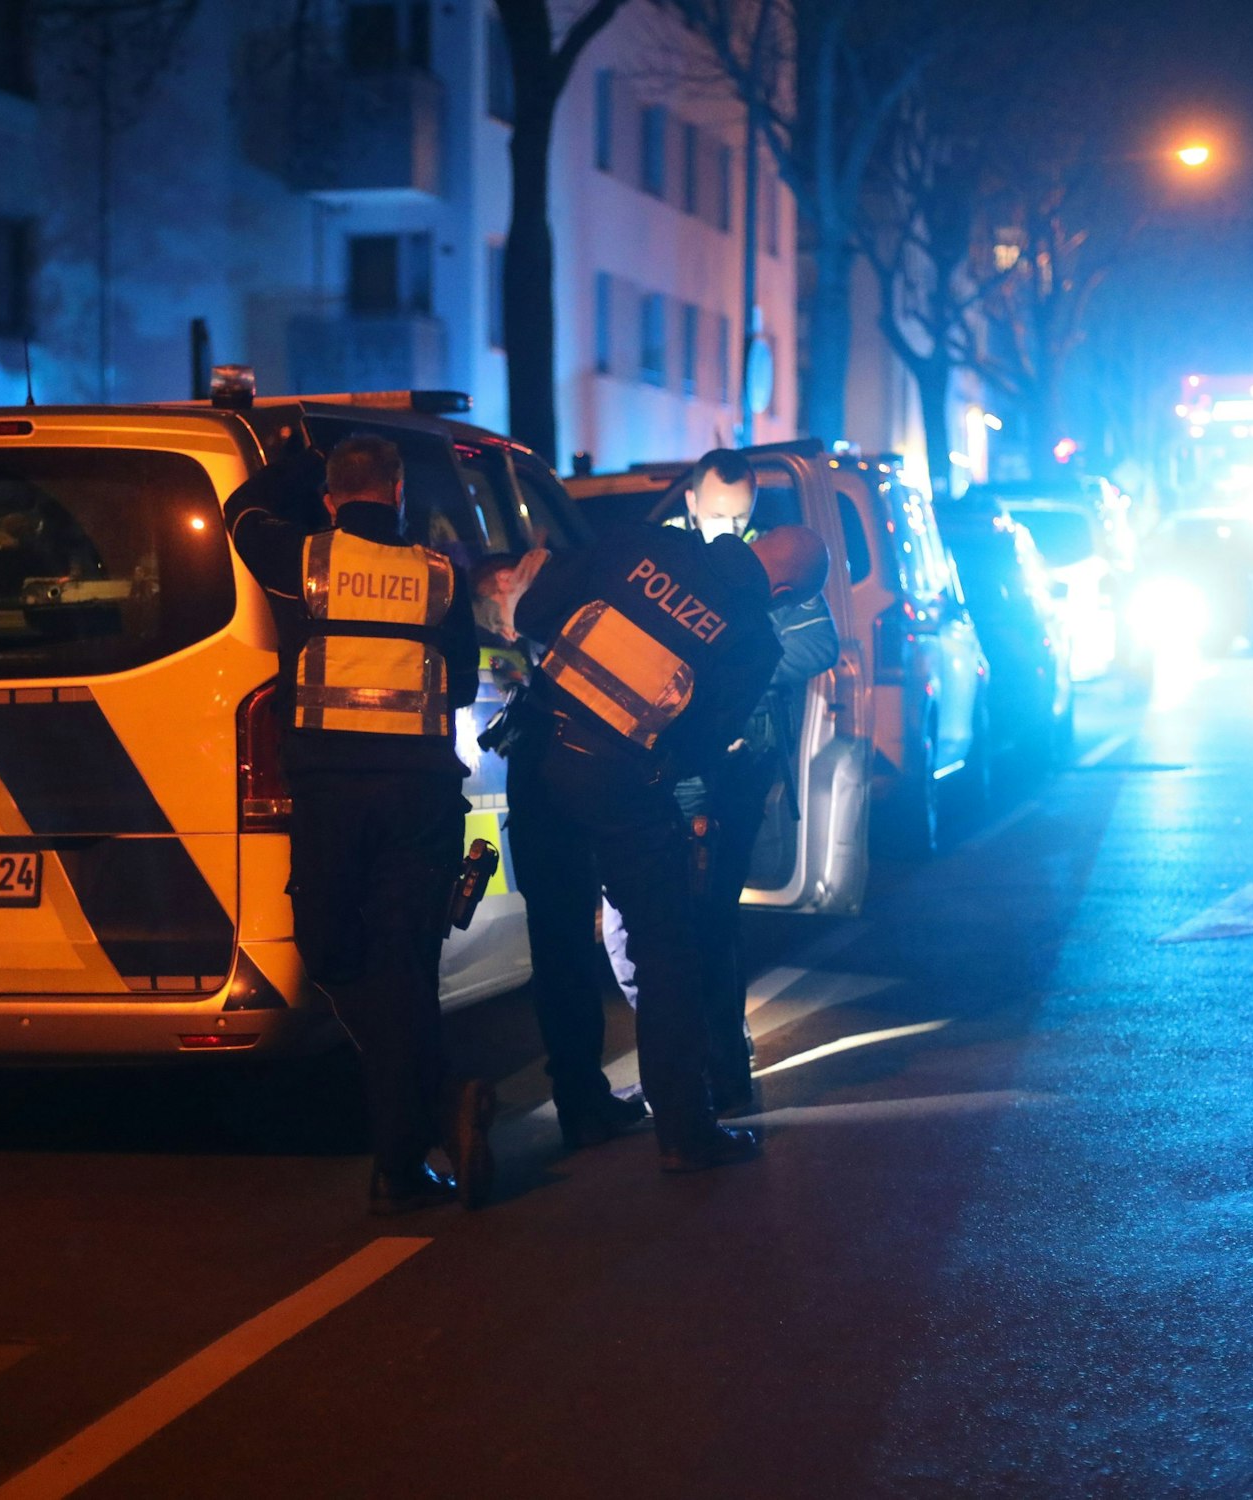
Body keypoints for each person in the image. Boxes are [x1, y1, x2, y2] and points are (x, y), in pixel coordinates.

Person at [505, 515, 823, 1171]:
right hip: (618, 779)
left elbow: (535, 612)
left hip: (537, 755)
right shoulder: (752, 642)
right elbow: (701, 745)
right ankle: (684, 1129)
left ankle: (582, 1108)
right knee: (665, 944)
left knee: (559, 937)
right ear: (787, 591)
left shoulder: (643, 542)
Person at [225, 435, 494, 1212]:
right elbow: (465, 685)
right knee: (404, 969)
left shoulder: (304, 559)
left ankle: (409, 1154)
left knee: (333, 954)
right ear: (400, 491)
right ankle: (423, 1131)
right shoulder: (442, 575)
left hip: (333, 797)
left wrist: (302, 458)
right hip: (420, 797)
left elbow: (241, 511)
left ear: (333, 499)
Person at [606, 452, 840, 1113]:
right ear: (689, 501)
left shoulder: (768, 567)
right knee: (642, 929)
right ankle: (697, 1062)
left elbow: (817, 645)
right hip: (662, 764)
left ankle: (711, 1069)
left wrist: (726, 662)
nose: (727, 528)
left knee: (698, 923)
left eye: (740, 517)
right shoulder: (669, 557)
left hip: (730, 768)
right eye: (716, 514)